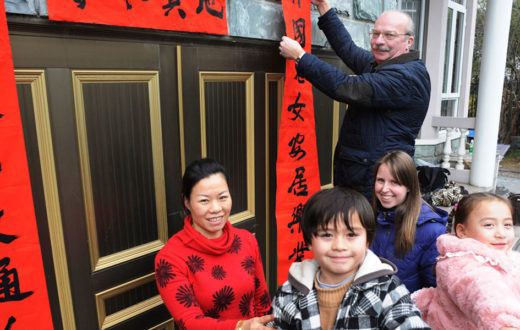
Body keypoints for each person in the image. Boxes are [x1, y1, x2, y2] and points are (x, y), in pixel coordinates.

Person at [279, 0, 430, 199]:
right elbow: (348, 50)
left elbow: (347, 88)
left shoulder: (405, 77)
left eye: (389, 35)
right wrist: (323, 7)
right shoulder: (386, 64)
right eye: (375, 33)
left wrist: (300, 56)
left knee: (365, 228)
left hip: (378, 180)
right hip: (363, 172)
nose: (379, 41)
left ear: (408, 42)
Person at [271, 187, 430, 329]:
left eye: (351, 235)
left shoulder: (386, 288)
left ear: (367, 241)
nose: (339, 246)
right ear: (309, 241)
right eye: (327, 234)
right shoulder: (290, 291)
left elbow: (409, 322)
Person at [154, 158, 274, 329]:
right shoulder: (170, 258)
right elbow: (189, 322)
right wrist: (240, 327)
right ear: (187, 202)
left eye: (223, 197)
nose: (216, 208)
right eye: (204, 200)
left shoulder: (247, 240)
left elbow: (262, 300)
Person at [413, 193, 520, 330]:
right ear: (462, 231)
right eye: (489, 225)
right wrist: (505, 324)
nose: (501, 233)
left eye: (507, 225)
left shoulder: (508, 258)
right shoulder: (461, 264)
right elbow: (483, 291)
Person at [370, 151, 448, 293]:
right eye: (380, 180)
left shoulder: (432, 231)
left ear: (409, 186)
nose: (384, 189)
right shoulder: (371, 215)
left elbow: (432, 289)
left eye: (395, 182)